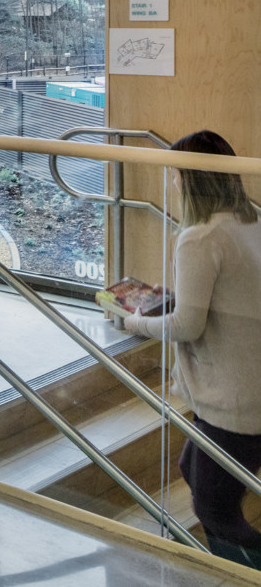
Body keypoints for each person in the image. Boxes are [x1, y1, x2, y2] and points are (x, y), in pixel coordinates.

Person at [120, 130, 261, 568]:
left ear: (190, 179)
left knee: (214, 510)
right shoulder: (251, 219)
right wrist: (177, 294)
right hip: (250, 388)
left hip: (232, 400)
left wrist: (134, 321)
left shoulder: (199, 238)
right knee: (190, 469)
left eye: (177, 176)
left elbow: (187, 325)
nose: (174, 184)